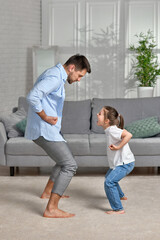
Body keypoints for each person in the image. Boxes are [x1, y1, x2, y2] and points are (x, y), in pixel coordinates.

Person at [25, 54, 91, 218]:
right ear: (72, 68)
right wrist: (45, 116)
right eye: (79, 76)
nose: (78, 80)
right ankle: (51, 208)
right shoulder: (55, 77)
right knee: (70, 165)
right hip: (44, 129)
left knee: (65, 160)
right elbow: (32, 96)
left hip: (48, 129)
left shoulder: (55, 74)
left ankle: (47, 193)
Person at [97, 106, 135, 215]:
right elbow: (123, 132)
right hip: (120, 163)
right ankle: (120, 195)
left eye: (100, 114)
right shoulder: (111, 129)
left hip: (125, 164)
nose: (97, 115)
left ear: (106, 121)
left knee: (109, 182)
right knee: (109, 177)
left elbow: (128, 135)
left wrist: (118, 147)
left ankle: (118, 209)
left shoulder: (112, 130)